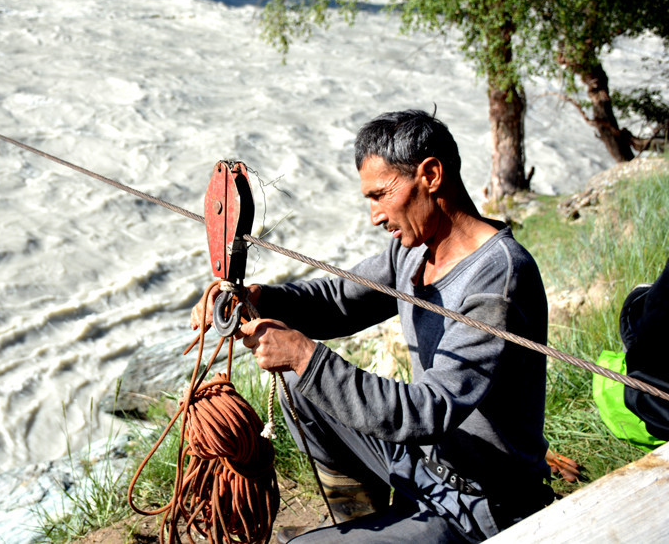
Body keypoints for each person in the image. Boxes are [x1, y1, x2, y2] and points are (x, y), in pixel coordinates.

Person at [192, 110, 553, 542]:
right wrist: (262, 299)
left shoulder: (500, 278)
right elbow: (339, 301)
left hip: (483, 506)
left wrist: (306, 355)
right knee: (300, 390)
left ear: (431, 175)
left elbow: (429, 410)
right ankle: (364, 521)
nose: (375, 215)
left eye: (380, 195)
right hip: (425, 468)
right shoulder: (415, 251)